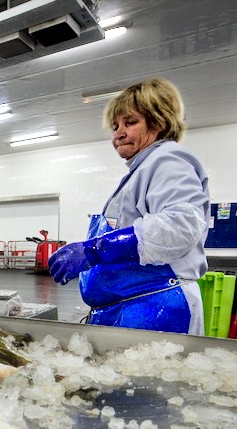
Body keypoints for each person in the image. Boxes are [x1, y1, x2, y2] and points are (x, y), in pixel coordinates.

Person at [48, 78, 209, 334]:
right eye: (116, 126)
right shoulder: (142, 169)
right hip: (129, 307)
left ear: (159, 122)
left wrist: (93, 250)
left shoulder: (167, 161)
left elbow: (179, 227)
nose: (119, 133)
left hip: (157, 308)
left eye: (130, 122)